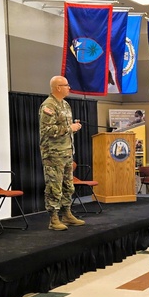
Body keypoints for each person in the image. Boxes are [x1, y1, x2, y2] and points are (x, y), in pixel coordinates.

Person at [40, 76, 86, 230]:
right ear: (58, 87)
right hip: (53, 154)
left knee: (68, 186)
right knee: (54, 186)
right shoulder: (48, 105)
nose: (69, 88)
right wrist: (69, 128)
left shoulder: (65, 105)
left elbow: (64, 129)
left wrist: (74, 127)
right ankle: (54, 219)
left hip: (66, 152)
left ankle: (67, 214)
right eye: (66, 85)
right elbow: (46, 130)